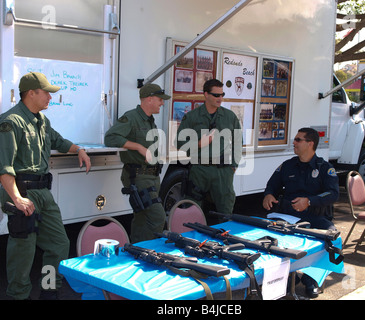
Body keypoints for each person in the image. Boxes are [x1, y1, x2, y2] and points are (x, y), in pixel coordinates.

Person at [0, 72, 91, 300]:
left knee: (59, 244)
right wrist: (17, 199)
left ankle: (49, 290)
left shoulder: (42, 120)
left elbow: (59, 141)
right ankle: (17, 295)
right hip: (22, 192)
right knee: (24, 251)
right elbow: (4, 167)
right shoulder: (11, 122)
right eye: (47, 93)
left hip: (43, 193)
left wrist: (79, 149)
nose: (50, 97)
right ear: (31, 93)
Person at [262, 127, 339, 298]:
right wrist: (268, 195)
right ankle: (287, 277)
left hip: (315, 216)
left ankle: (311, 280)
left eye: (298, 140)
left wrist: (310, 201)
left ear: (310, 143)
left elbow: (333, 193)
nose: (294, 142)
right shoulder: (288, 165)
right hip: (287, 215)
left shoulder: (325, 168)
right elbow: (272, 184)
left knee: (331, 237)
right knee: (268, 237)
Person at [104, 83, 170, 243]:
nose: (162, 103)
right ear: (149, 99)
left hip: (152, 176)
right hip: (138, 176)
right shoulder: (132, 117)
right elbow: (110, 138)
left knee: (142, 219)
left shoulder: (150, 121)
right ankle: (149, 252)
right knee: (157, 217)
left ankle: (136, 251)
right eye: (160, 99)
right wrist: (139, 147)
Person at [176, 79, 242, 215]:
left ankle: (225, 236)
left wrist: (233, 166)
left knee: (226, 212)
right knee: (192, 210)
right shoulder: (192, 117)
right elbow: (180, 143)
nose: (220, 98)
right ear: (206, 94)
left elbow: (238, 142)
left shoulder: (229, 117)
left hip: (223, 171)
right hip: (200, 170)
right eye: (216, 95)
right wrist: (199, 144)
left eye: (222, 94)